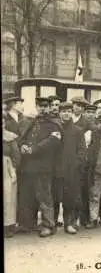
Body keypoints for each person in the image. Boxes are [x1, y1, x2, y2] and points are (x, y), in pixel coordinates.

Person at [17, 97, 63, 237]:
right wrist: (23, 145)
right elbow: (22, 138)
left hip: (43, 166)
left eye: (45, 106)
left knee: (44, 196)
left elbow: (53, 142)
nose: (42, 108)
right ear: (36, 107)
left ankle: (48, 225)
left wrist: (33, 149)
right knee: (27, 196)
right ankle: (26, 224)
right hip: (28, 166)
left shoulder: (54, 123)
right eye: (40, 106)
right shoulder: (31, 121)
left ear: (49, 107)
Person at [53, 102, 86, 234]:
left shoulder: (77, 130)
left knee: (70, 198)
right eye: (63, 111)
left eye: (68, 111)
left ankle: (69, 224)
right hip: (55, 169)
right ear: (59, 113)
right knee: (54, 197)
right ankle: (52, 224)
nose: (66, 114)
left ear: (72, 112)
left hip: (71, 170)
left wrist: (76, 163)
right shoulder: (54, 128)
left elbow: (82, 150)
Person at [3, 113, 21, 238]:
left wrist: (13, 168)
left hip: (6, 168)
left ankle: (8, 226)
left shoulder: (9, 137)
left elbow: (16, 155)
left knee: (8, 197)